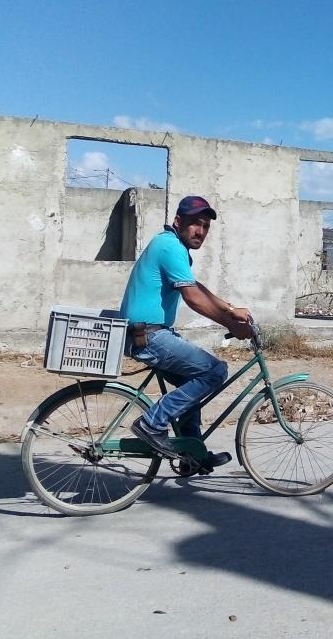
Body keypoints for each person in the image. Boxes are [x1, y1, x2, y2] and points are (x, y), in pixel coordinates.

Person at [121, 195, 253, 469]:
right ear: (178, 222)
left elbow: (197, 287)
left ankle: (192, 456)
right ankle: (151, 423)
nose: (200, 231)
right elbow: (193, 297)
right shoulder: (170, 247)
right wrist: (231, 325)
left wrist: (230, 309)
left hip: (150, 332)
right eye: (194, 224)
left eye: (205, 226)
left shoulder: (172, 247)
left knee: (191, 384)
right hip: (149, 335)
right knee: (214, 371)